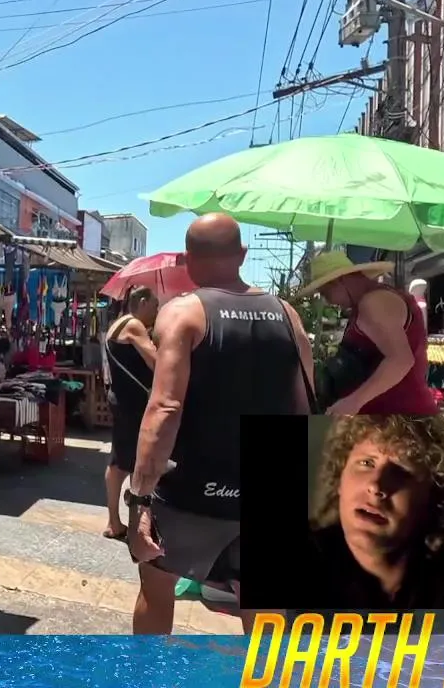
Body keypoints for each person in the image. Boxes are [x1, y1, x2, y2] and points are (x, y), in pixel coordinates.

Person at [127, 214, 314, 635]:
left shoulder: (183, 313)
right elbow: (304, 408)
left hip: (189, 493)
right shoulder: (287, 315)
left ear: (188, 260)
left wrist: (138, 499)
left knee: (157, 589)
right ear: (243, 254)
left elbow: (165, 408)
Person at [299, 415, 444, 609]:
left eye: (400, 471)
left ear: (434, 495)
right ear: (340, 477)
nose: (376, 485)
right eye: (366, 463)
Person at [295, 251, 439, 415]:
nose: (328, 301)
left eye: (325, 293)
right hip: (392, 415)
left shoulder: (373, 303)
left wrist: (353, 402)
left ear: (339, 281)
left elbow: (401, 360)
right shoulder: (373, 300)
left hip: (399, 416)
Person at [101, 285, 158, 541]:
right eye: (155, 305)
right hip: (131, 404)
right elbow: (156, 361)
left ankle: (116, 521)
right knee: (132, 463)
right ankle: (126, 523)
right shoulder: (134, 325)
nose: (157, 311)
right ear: (142, 302)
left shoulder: (119, 323)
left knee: (119, 462)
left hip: (123, 400)